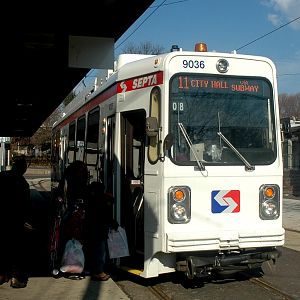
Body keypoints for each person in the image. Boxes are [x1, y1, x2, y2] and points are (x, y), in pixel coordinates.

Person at [50, 160, 89, 278]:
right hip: (76, 215)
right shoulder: (82, 184)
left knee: (63, 241)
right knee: (78, 242)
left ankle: (61, 266)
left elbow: (60, 197)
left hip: (65, 215)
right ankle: (77, 266)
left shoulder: (65, 181)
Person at [0, 156, 33, 288]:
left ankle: (1, 274)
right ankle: (16, 278)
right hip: (15, 222)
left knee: (2, 247)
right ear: (23, 169)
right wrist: (26, 222)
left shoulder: (1, 176)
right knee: (17, 250)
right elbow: (25, 206)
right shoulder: (22, 183)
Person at [85, 181, 118, 281]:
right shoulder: (101, 200)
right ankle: (99, 272)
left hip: (92, 230)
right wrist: (113, 222)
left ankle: (91, 269)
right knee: (100, 252)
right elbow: (105, 215)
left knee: (93, 250)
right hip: (99, 231)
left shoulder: (91, 199)